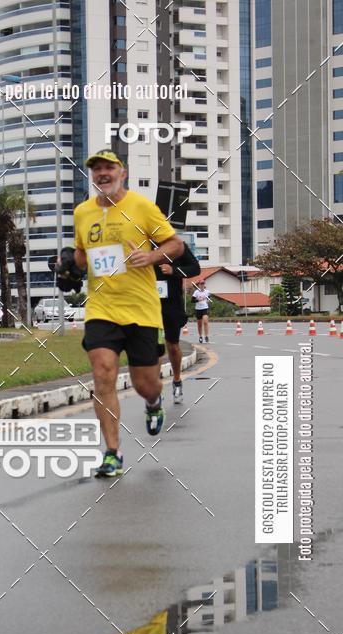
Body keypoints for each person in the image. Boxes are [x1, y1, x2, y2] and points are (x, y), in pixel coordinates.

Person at [71, 149, 184, 478]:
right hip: (101, 307)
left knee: (145, 384)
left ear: (123, 172)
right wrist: (69, 264)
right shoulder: (82, 213)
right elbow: (81, 254)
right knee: (103, 372)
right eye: (97, 169)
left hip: (141, 310)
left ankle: (153, 403)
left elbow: (175, 244)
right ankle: (112, 452)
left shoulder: (141, 207)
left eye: (109, 168)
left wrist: (151, 258)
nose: (103, 174)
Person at [155, 244, 201, 404]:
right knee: (155, 347)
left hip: (172, 304)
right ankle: (155, 389)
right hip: (149, 303)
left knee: (172, 346)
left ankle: (176, 380)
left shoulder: (176, 246)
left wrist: (174, 270)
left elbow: (195, 268)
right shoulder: (143, 244)